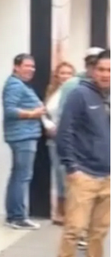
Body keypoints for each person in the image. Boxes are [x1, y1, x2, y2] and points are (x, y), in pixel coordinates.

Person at [53, 48, 111, 257]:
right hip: (84, 175)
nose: (105, 74)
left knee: (99, 231)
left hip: (107, 176)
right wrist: (72, 168)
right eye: (101, 69)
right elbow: (65, 132)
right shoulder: (80, 94)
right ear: (92, 70)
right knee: (74, 229)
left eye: (109, 70)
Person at [1, 53, 47, 230]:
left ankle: (14, 215)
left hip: (24, 136)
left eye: (33, 67)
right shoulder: (14, 85)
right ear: (16, 67)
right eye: (27, 66)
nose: (31, 70)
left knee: (18, 176)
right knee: (22, 177)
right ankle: (18, 217)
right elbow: (10, 111)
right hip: (22, 137)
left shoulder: (20, 85)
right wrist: (33, 114)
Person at [43, 61, 75, 224]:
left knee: (68, 174)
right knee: (58, 174)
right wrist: (49, 126)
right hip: (53, 138)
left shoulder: (75, 91)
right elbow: (44, 112)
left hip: (70, 139)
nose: (65, 77)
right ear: (57, 75)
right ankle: (60, 212)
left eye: (69, 73)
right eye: (62, 73)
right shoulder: (52, 91)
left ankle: (71, 213)